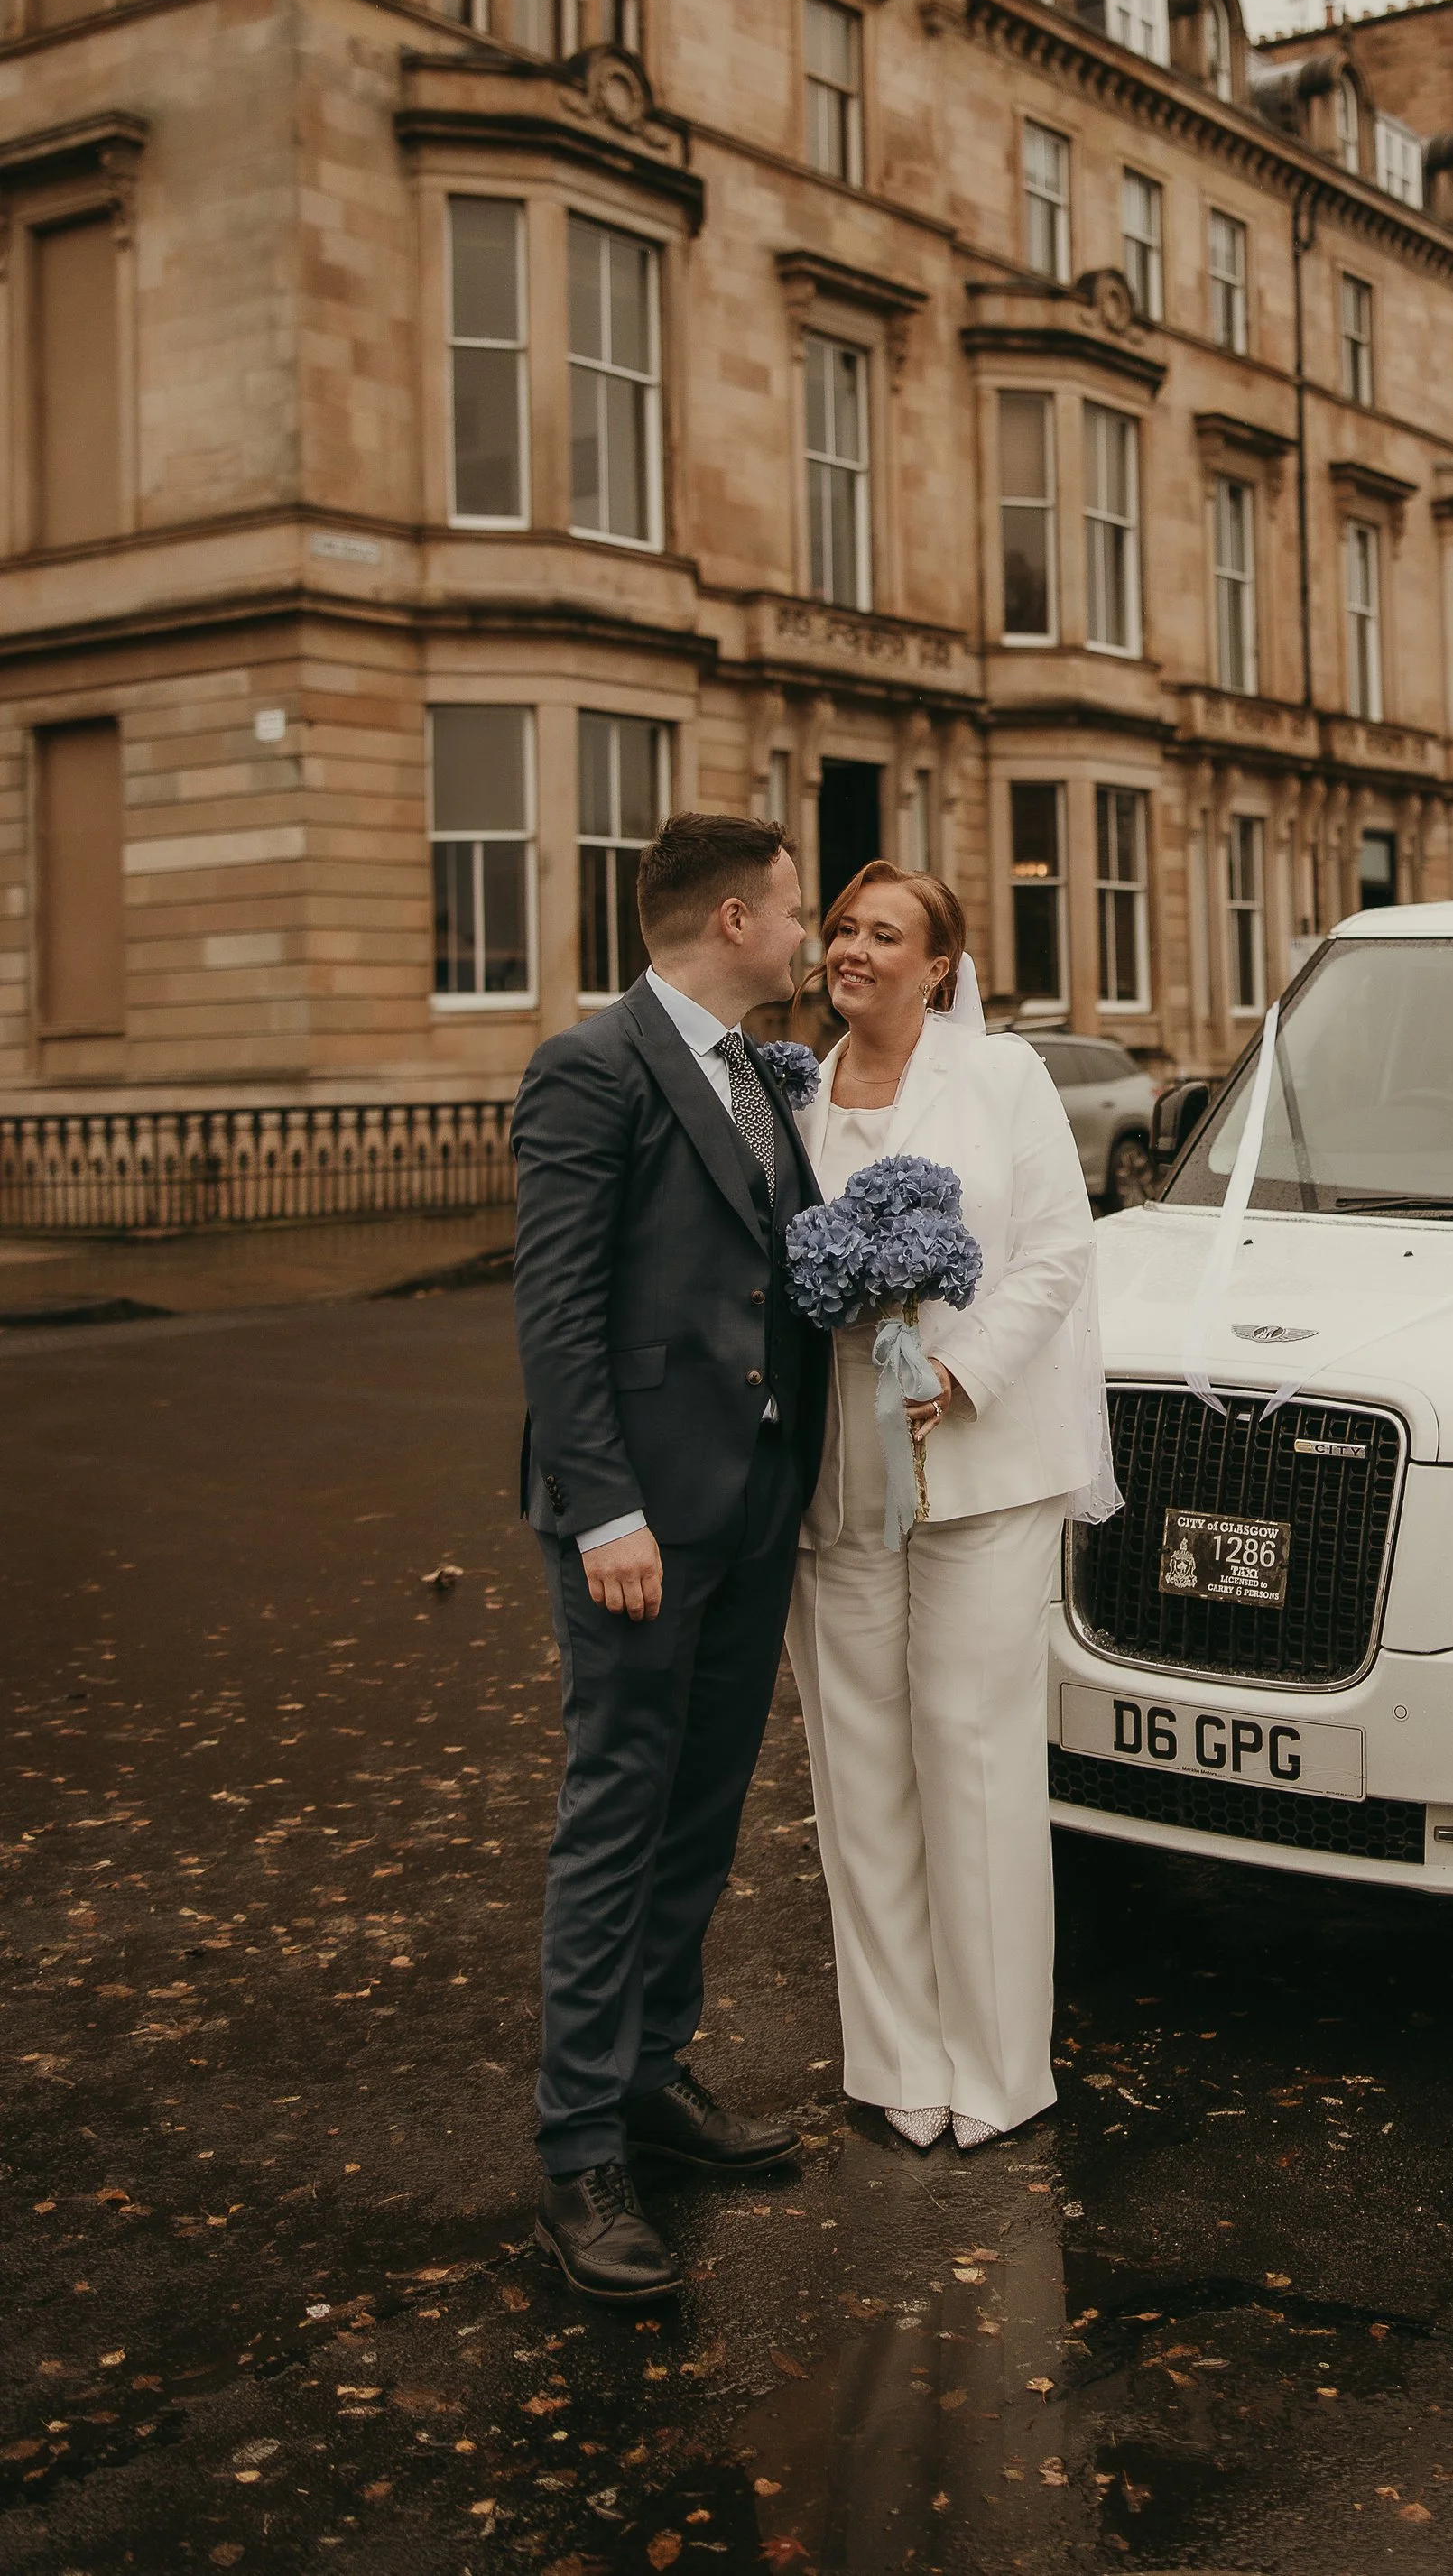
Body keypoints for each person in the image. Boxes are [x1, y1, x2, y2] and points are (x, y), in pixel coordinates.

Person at [511, 813, 829, 2302]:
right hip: (641, 1516)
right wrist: (604, 1509)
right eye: (792, 907)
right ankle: (578, 2144)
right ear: (727, 918)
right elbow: (559, 1310)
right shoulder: (592, 1065)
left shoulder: (765, 1071)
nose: (810, 930)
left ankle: (650, 2072)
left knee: (704, 1803)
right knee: (618, 1810)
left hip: (760, 1494)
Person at [787, 861, 1112, 2154]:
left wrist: (961, 1375)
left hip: (982, 1457)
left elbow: (1058, 1249)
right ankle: (896, 2055)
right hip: (836, 1469)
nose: (854, 948)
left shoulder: (1002, 1079)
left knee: (971, 1751)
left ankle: (996, 2065)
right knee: (857, 1757)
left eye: (885, 933)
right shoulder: (796, 1094)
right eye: (845, 927)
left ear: (939, 966)